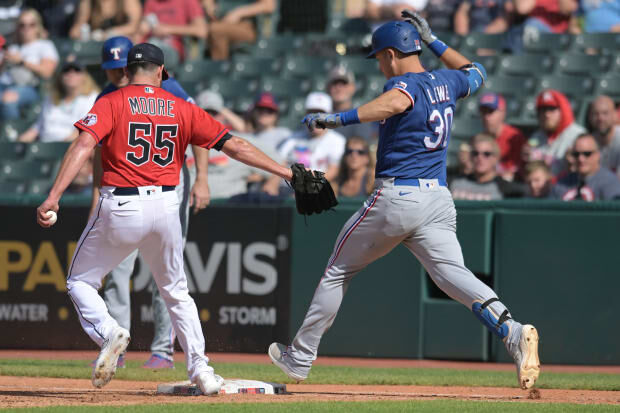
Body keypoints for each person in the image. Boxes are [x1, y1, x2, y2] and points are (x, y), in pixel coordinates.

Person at [268, 14, 541, 391]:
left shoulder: (402, 83)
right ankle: (512, 331)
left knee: (338, 271)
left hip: (398, 196)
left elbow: (395, 101)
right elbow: (475, 71)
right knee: (454, 277)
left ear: (393, 54)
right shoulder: (447, 79)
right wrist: (434, 41)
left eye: (380, 57)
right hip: (438, 199)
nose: (379, 64)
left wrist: (335, 119)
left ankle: (300, 357)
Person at [36, 42, 294, 394]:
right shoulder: (181, 107)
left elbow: (82, 146)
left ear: (126, 71)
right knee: (176, 290)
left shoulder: (111, 101)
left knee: (80, 281)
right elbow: (235, 145)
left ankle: (110, 332)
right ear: (161, 72)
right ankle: (201, 370)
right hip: (167, 206)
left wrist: (53, 196)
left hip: (121, 205)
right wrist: (286, 173)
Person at [92, 36, 210, 370]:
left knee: (168, 274)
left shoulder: (169, 89)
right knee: (118, 270)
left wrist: (202, 177)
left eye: (121, 69)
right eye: (112, 70)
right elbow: (96, 158)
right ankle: (115, 347)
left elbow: (201, 129)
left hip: (170, 185)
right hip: (122, 190)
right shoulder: (106, 96)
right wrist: (98, 200)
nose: (117, 76)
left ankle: (162, 350)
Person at [18, 60, 99, 143]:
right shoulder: (51, 98)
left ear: (84, 76)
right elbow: (38, 127)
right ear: (60, 76)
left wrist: (59, 147)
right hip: (44, 146)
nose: (71, 74)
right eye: (66, 71)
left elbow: (83, 131)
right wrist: (19, 142)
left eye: (76, 70)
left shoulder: (92, 98)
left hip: (69, 147)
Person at [0, 8, 59, 119]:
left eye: (31, 24)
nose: (26, 28)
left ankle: (10, 132)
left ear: (38, 27)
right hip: (4, 84)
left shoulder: (45, 45)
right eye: (22, 25)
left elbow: (47, 72)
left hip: (30, 87)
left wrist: (22, 61)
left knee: (8, 98)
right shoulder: (13, 47)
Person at [278, 92, 346, 182]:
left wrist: (307, 187)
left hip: (318, 189)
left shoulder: (338, 141)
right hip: (287, 187)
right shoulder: (293, 138)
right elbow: (280, 163)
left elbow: (333, 171)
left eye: (321, 114)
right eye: (312, 113)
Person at [450, 133, 526, 200]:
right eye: (475, 153)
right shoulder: (453, 182)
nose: (480, 158)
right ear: (471, 156)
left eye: (486, 154)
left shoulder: (505, 189)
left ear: (496, 158)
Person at [528, 89, 586, 176]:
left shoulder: (578, 136)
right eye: (543, 110)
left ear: (563, 110)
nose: (546, 114)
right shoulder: (535, 137)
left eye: (552, 109)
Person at [552, 133, 620, 201]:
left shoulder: (610, 182)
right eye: (576, 154)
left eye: (587, 154)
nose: (581, 159)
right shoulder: (563, 183)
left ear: (598, 155)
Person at [205, 0, 277, 60]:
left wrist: (239, 13)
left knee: (215, 30)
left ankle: (220, 70)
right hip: (219, 21)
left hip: (248, 26)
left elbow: (269, 5)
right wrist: (209, 5)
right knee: (208, 29)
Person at [478, 92, 526, 180]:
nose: (486, 117)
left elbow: (515, 173)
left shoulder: (514, 137)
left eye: (491, 111)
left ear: (503, 113)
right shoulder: (479, 140)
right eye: (483, 112)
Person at [139, 0, 208, 62]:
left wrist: (169, 29)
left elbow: (201, 31)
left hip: (174, 49)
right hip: (150, 44)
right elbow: (143, 28)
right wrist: (143, 28)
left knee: (150, 56)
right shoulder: (151, 2)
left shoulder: (188, 1)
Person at [327, 65, 378, 143]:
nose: (338, 88)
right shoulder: (320, 114)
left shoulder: (361, 117)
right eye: (334, 83)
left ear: (353, 88)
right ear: (328, 87)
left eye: (344, 83)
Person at [69, 0, 142, 41]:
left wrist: (111, 33)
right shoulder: (89, 2)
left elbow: (135, 26)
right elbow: (75, 31)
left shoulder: (126, 2)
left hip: (123, 47)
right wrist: (87, 35)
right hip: (97, 48)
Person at [588, 95, 620, 177]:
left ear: (615, 115)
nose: (600, 118)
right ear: (590, 117)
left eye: (605, 113)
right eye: (595, 113)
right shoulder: (587, 143)